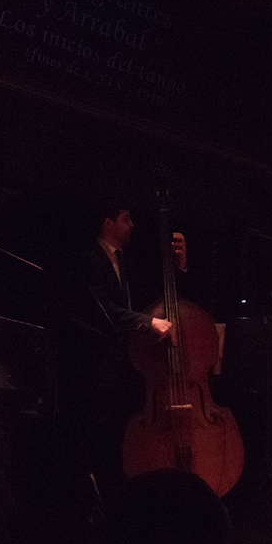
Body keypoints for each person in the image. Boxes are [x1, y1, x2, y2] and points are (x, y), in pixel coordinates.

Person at [57, 199, 180, 503]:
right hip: (96, 362)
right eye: (125, 219)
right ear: (108, 223)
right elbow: (105, 309)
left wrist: (178, 265)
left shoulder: (123, 259)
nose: (132, 225)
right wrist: (148, 322)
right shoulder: (89, 260)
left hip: (122, 362)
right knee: (97, 431)